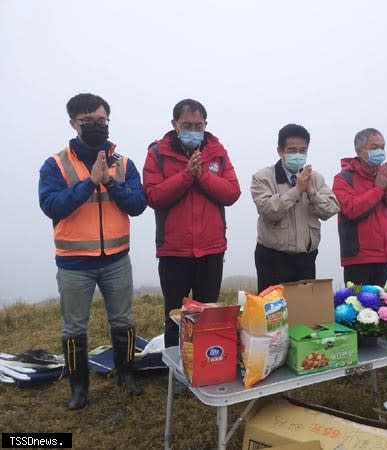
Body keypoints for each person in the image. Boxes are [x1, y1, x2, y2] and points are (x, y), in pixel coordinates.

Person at [38, 93, 147, 409]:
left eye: (101, 121)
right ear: (73, 123)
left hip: (116, 258)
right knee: (74, 328)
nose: (96, 126)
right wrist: (89, 183)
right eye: (88, 122)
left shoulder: (123, 163)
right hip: (74, 264)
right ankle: (78, 388)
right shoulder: (55, 164)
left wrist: (110, 183)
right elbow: (51, 205)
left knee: (123, 320)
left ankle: (126, 374)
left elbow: (138, 205)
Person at [143, 99, 241, 348]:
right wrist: (187, 175)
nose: (194, 131)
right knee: (175, 317)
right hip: (174, 250)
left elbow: (232, 193)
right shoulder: (158, 153)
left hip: (211, 249)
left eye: (199, 125)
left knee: (207, 315)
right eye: (187, 125)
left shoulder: (217, 151)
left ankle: (207, 366)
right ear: (174, 124)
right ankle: (174, 374)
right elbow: (153, 196)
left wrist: (203, 176)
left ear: (206, 124)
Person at [251, 124, 340, 293]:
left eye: (302, 150)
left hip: (306, 258)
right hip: (273, 258)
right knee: (274, 314)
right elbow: (269, 211)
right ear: (280, 151)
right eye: (292, 150)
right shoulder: (262, 178)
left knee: (303, 313)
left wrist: (312, 192)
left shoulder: (315, 178)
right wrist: (297, 189)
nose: (297, 155)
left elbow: (331, 209)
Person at [332, 128, 387, 287]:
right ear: (359, 151)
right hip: (358, 257)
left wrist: (385, 187)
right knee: (358, 308)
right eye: (374, 147)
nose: (380, 151)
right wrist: (378, 189)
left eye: (382, 147)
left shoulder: (382, 176)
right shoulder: (343, 179)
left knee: (379, 307)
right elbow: (351, 210)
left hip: (384, 254)